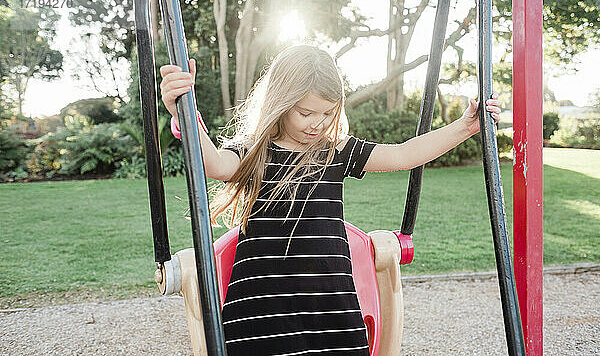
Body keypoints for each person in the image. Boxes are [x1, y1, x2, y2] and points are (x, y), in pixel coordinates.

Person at [159, 45, 502, 356]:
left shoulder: (335, 151)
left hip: (331, 308)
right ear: (281, 102)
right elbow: (216, 166)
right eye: (306, 113)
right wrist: (184, 116)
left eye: (327, 113)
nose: (317, 124)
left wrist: (465, 127)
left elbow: (405, 155)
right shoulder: (255, 150)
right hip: (264, 312)